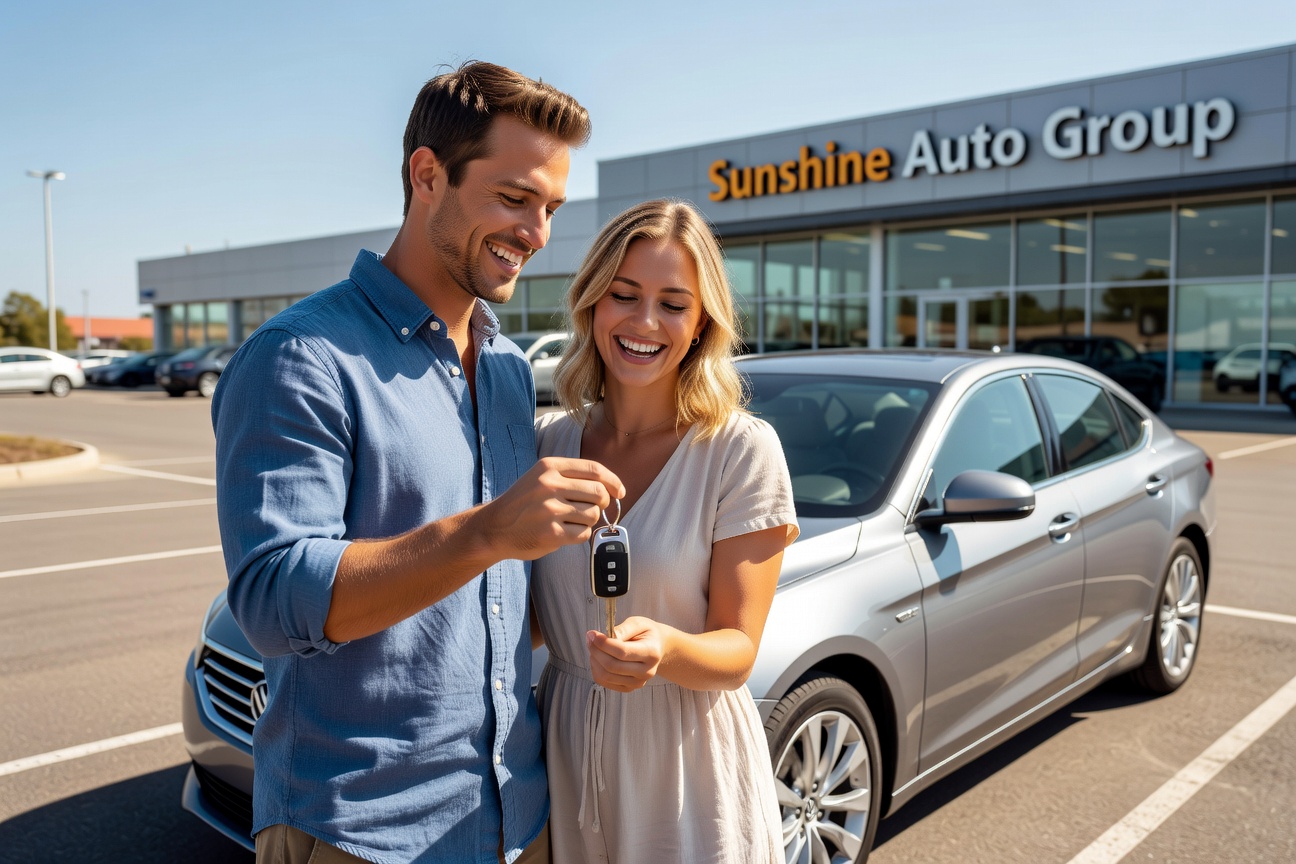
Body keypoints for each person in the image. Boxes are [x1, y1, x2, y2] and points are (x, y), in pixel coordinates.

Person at [212, 62, 623, 864]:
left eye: (550, 208)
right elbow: (271, 599)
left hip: (517, 817)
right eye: (514, 198)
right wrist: (487, 534)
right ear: (427, 175)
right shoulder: (301, 356)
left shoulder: (505, 369)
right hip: (361, 832)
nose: (536, 233)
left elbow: (495, 609)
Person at [530, 199, 800, 863]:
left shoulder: (739, 450)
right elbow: (528, 618)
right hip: (562, 753)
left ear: (702, 320)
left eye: (673, 303)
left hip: (688, 767)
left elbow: (738, 649)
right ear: (592, 301)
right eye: (624, 295)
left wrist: (669, 650)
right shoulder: (546, 444)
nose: (644, 322)